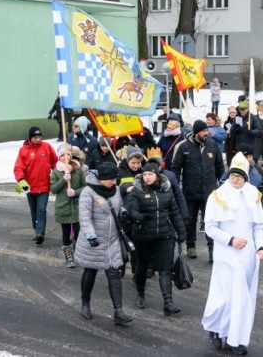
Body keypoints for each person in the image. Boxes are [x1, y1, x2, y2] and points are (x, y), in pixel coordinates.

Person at [202, 152, 263, 356]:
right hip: (226, 255)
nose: (235, 178)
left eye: (239, 175)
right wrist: (230, 240)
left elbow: (258, 227)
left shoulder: (253, 195)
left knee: (242, 299)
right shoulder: (217, 197)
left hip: (247, 256)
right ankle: (215, 328)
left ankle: (237, 339)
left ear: (245, 176)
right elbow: (210, 228)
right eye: (232, 175)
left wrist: (261, 247)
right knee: (224, 298)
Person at [74, 162, 132, 326]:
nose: (114, 182)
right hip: (94, 241)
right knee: (90, 272)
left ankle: (118, 312)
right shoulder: (88, 192)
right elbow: (84, 217)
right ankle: (85, 303)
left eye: (115, 179)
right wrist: (90, 234)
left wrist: (124, 212)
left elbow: (118, 207)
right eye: (111, 179)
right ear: (102, 179)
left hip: (111, 240)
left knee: (114, 274)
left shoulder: (114, 190)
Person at [126, 161, 187, 315]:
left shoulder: (167, 190)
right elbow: (131, 210)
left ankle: (168, 303)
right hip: (143, 236)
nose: (147, 177)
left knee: (165, 269)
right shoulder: (137, 191)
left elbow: (174, 212)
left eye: (150, 174)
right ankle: (140, 293)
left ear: (157, 174)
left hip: (165, 235)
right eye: (145, 174)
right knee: (142, 267)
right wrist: (139, 217)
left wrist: (181, 232)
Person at [171, 120, 225, 261]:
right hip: (190, 192)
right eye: (203, 131)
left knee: (210, 221)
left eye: (206, 130)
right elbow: (176, 168)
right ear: (196, 133)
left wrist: (223, 184)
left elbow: (219, 166)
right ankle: (191, 245)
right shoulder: (184, 147)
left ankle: (212, 248)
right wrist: (175, 185)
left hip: (210, 192)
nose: (206, 133)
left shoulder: (212, 145)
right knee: (190, 220)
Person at [13, 126, 58, 245]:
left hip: (44, 186)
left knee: (41, 209)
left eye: (39, 137)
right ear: (30, 138)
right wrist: (21, 179)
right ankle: (36, 230)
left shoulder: (47, 147)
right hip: (30, 187)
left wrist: (59, 174)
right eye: (35, 137)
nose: (38, 139)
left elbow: (55, 162)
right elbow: (18, 167)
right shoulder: (24, 150)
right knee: (34, 210)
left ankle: (40, 233)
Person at [50, 145, 86, 267]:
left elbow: (85, 187)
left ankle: (79, 251)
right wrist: (64, 179)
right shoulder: (55, 172)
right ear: (59, 157)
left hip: (76, 206)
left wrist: (75, 192)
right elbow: (53, 189)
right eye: (62, 155)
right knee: (66, 232)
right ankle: (68, 256)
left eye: (68, 155)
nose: (65, 157)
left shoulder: (78, 170)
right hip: (63, 206)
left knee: (78, 231)